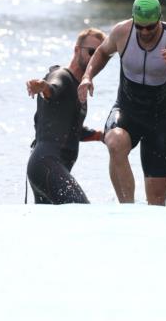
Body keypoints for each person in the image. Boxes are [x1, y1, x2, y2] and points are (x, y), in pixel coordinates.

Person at [77, 0, 166, 206]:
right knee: (115, 141)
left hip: (160, 121)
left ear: (160, 20)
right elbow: (101, 53)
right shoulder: (122, 32)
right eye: (140, 27)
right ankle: (127, 209)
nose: (145, 32)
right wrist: (87, 77)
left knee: (157, 203)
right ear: (134, 21)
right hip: (127, 111)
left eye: (150, 27)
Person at [26, 28, 106, 204]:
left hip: (47, 167)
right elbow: (52, 89)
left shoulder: (79, 87)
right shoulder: (62, 75)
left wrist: (101, 136)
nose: (95, 59)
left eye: (100, 55)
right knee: (81, 211)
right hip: (46, 163)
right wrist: (42, 87)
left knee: (49, 226)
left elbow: (73, 130)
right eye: (92, 52)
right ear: (77, 50)